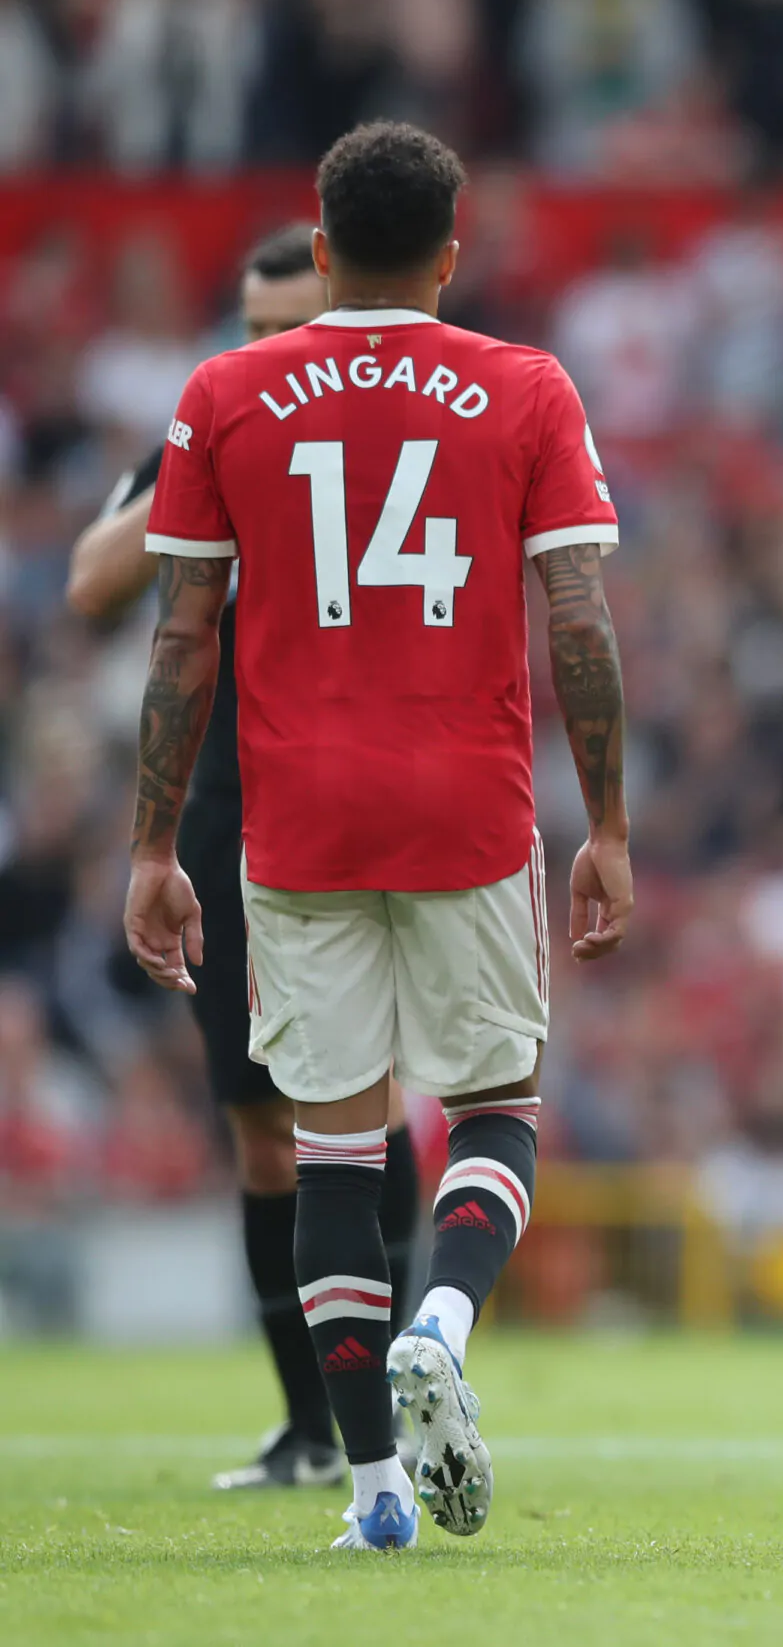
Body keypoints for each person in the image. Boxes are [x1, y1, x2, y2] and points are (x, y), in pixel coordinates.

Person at [123, 122, 634, 1549]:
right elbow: (579, 619)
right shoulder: (524, 386)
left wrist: (151, 844)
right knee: (497, 1108)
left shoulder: (225, 389)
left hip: (294, 820)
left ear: (324, 247)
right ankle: (447, 1321)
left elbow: (182, 637)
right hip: (466, 805)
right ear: (453, 255)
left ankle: (370, 1491)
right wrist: (609, 825)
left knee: (329, 1151)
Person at [67, 224, 428, 1494]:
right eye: (253, 330)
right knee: (257, 1122)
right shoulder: (207, 428)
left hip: (346, 785)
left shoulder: (387, 444)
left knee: (366, 1100)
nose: (272, 350)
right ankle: (309, 1430)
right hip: (224, 800)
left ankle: (401, 1396)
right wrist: (200, 472)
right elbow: (90, 583)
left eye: (293, 327)